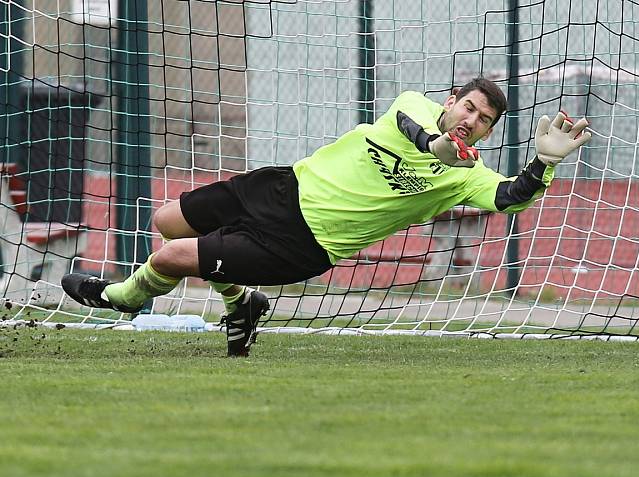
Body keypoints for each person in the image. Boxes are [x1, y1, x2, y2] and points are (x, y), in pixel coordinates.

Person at [62, 77, 591, 356]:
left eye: (485, 121)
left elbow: (512, 197)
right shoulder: (413, 106)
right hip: (282, 187)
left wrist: (543, 161)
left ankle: (119, 299)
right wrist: (435, 144)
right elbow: (409, 127)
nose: (472, 121)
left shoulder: (466, 176)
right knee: (167, 220)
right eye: (469, 108)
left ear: (489, 133)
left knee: (171, 257)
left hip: (303, 245)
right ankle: (242, 304)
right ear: (451, 101)